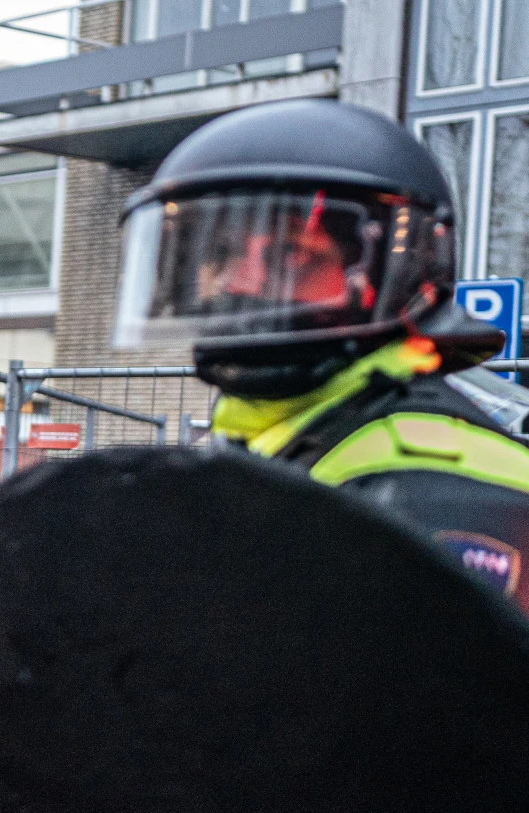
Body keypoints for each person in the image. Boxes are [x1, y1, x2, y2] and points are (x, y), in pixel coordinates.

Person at [115, 98, 529, 611]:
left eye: (290, 257)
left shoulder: (444, 492)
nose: (237, 283)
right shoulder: (266, 438)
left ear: (392, 276)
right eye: (219, 255)